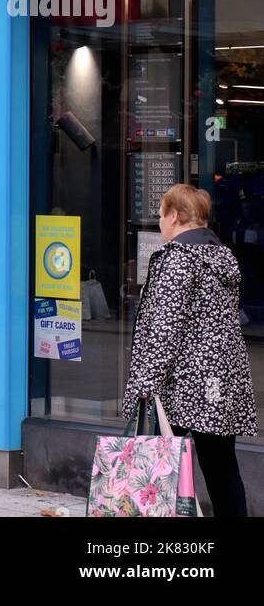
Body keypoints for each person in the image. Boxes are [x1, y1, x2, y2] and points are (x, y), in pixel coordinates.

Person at [122, 184, 256, 517]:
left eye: (162, 216)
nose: (160, 224)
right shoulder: (221, 255)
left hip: (181, 386)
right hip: (219, 383)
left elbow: (165, 329)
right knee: (222, 468)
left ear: (176, 216)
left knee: (158, 466)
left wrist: (144, 385)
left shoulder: (178, 259)